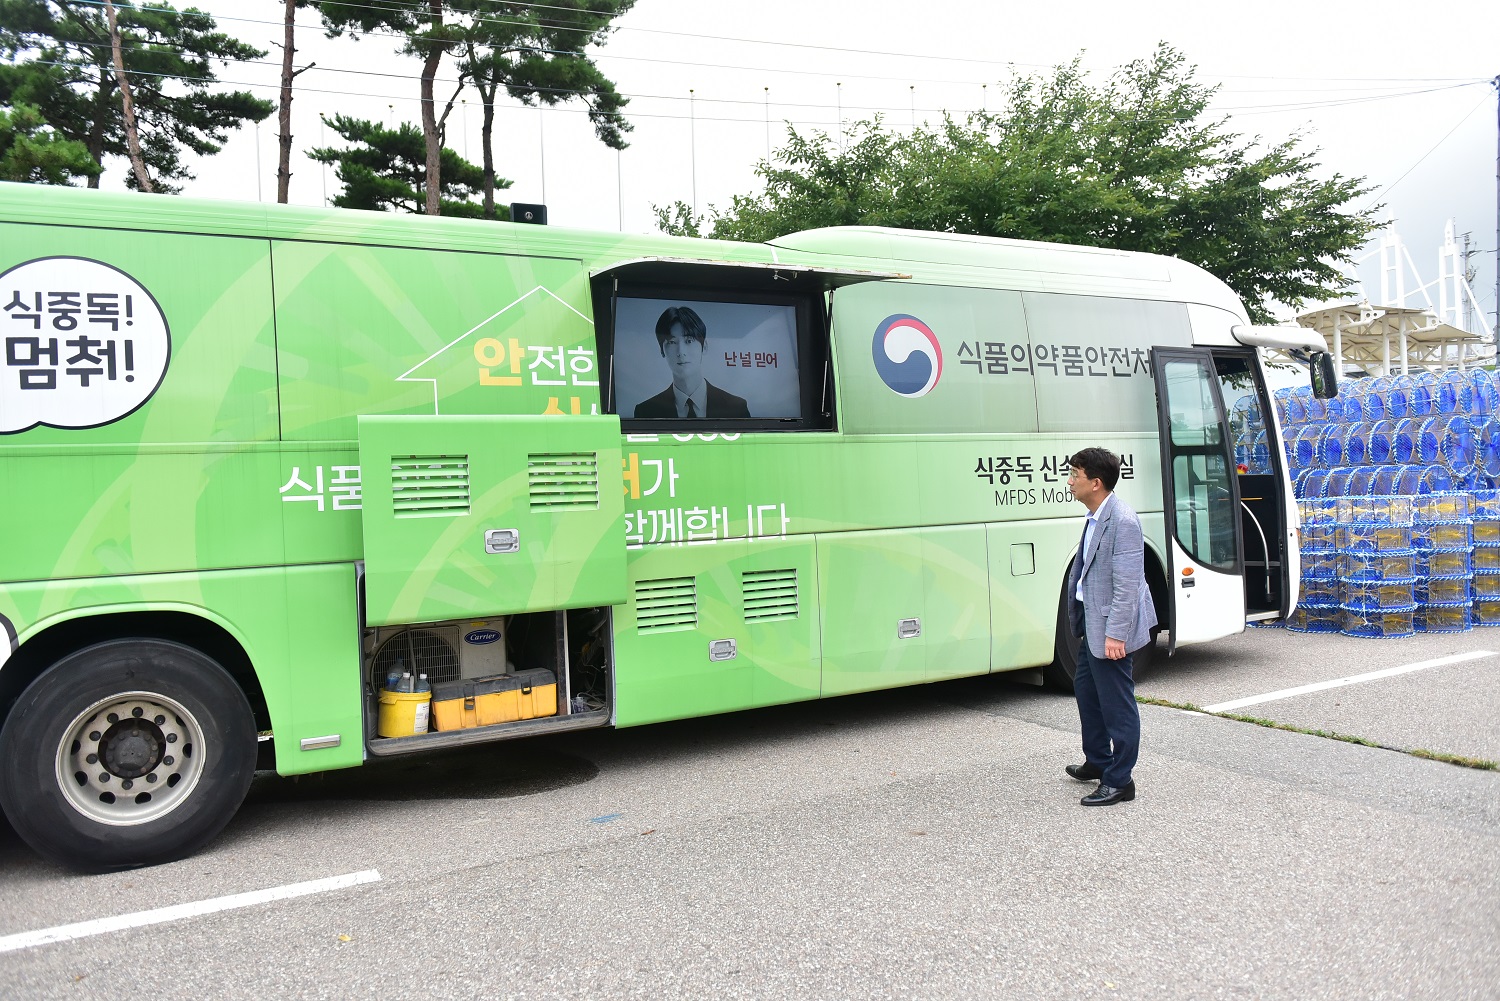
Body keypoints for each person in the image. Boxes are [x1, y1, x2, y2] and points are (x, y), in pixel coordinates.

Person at [1062, 446, 1157, 807]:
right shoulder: (1096, 515)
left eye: (1075, 475)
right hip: (1093, 621)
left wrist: (1117, 634)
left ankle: (1120, 781)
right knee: (1087, 692)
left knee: (1117, 705)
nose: (1070, 482)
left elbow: (1128, 585)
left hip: (1111, 626)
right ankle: (1099, 761)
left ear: (1096, 483)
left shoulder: (1123, 521)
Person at [633, 306, 751, 419]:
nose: (681, 352)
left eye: (689, 341)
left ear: (704, 347)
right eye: (672, 342)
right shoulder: (645, 411)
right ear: (662, 350)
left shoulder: (736, 408)